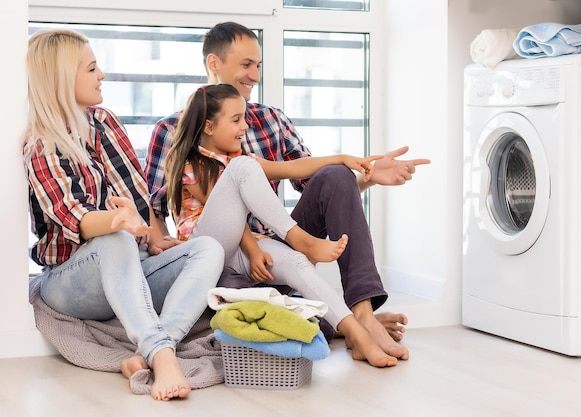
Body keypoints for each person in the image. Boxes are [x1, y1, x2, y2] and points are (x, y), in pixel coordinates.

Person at [145, 22, 431, 361]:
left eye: (258, 66)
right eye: (246, 65)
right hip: (219, 255)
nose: (255, 75)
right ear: (214, 64)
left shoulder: (270, 120)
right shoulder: (174, 133)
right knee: (273, 310)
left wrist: (362, 170)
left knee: (336, 175)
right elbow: (153, 207)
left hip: (271, 246)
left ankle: (362, 317)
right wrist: (166, 264)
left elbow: (313, 181)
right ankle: (333, 317)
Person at [23, 29, 225, 401]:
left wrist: (151, 234)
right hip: (70, 282)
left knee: (208, 248)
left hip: (133, 260)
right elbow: (78, 220)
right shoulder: (42, 143)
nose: (102, 75)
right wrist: (120, 222)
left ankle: (144, 353)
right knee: (114, 239)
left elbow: (135, 191)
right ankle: (164, 358)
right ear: (62, 78)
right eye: (92, 68)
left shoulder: (104, 121)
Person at [164, 83, 399, 367]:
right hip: (207, 250)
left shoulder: (240, 159)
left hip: (242, 249)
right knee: (243, 171)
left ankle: (358, 336)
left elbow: (292, 168)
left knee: (297, 264)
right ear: (209, 127)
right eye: (236, 119)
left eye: (245, 118)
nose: (245, 126)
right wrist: (253, 249)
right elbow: (228, 218)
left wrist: (343, 159)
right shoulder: (191, 162)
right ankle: (301, 238)